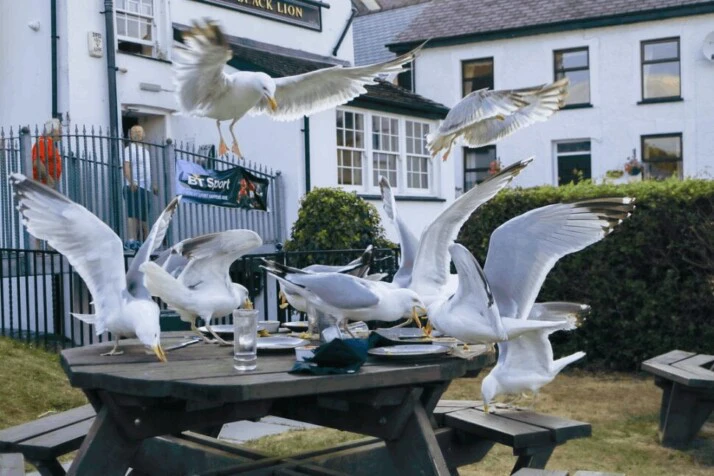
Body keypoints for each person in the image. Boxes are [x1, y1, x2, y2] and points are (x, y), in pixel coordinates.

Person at [123, 125, 157, 250]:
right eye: (134, 132)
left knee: (143, 215)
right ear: (130, 135)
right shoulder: (128, 149)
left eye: (139, 131)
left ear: (143, 135)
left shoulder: (146, 151)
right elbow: (126, 166)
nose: (137, 134)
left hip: (145, 187)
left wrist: (152, 184)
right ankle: (132, 240)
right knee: (133, 213)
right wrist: (131, 181)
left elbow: (148, 170)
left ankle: (146, 241)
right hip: (134, 185)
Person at [32, 118, 62, 189]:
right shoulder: (44, 141)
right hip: (43, 185)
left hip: (47, 185)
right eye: (59, 129)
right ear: (52, 130)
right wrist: (49, 179)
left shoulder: (49, 142)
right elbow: (37, 162)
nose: (61, 132)